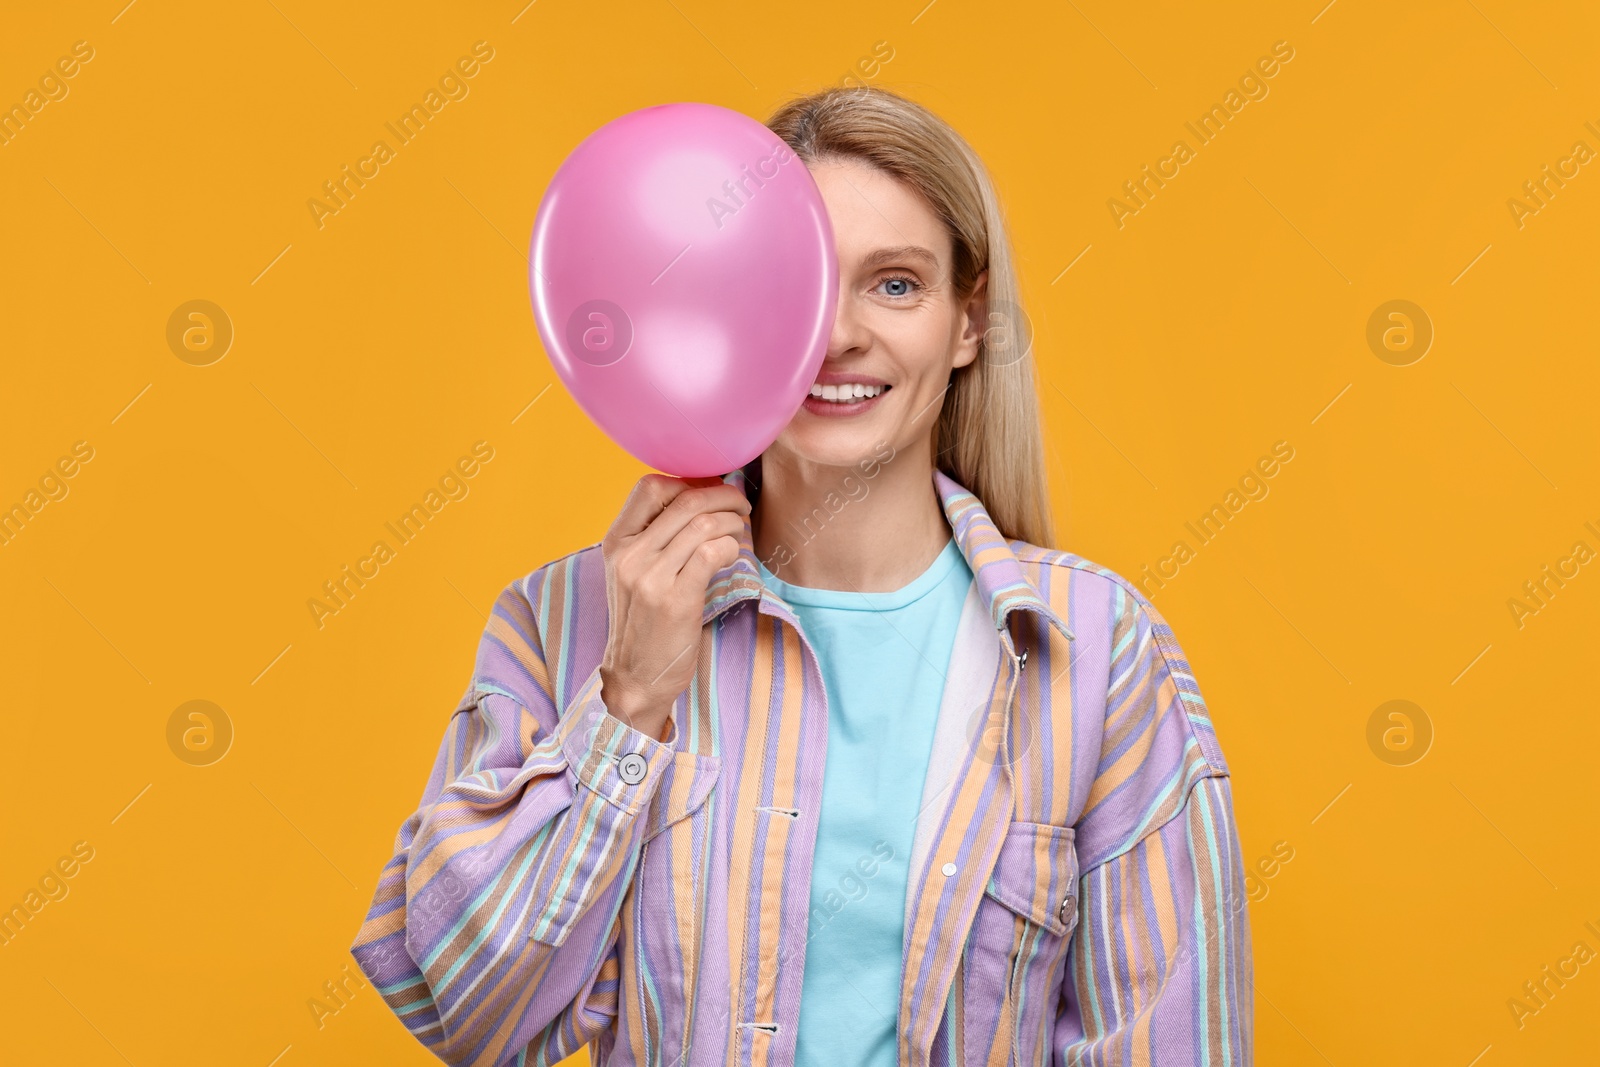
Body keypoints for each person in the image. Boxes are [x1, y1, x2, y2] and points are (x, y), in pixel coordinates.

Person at [351, 85, 1252, 1067]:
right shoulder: (566, 620)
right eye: (800, 282)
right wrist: (629, 700)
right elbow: (466, 1014)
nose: (837, 335)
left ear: (967, 323)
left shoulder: (1095, 647)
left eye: (895, 283)